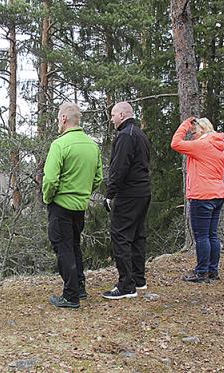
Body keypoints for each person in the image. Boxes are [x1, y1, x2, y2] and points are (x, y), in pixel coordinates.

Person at [42, 102, 103, 309]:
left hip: (61, 204)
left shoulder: (60, 145)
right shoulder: (93, 146)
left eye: (59, 118)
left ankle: (70, 295)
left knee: (63, 248)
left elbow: (50, 180)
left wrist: (48, 198)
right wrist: (84, 192)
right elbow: (98, 178)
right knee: (74, 244)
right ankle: (80, 287)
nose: (58, 122)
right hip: (80, 205)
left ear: (64, 119)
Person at [102, 101, 151, 300]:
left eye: (113, 115)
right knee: (138, 235)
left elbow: (119, 168)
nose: (111, 119)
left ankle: (126, 285)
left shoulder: (125, 136)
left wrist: (109, 193)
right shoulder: (140, 135)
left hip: (129, 193)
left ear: (122, 115)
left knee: (120, 235)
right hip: (143, 191)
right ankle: (139, 280)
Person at [171, 117, 224, 282]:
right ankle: (212, 271)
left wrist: (185, 125)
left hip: (202, 196)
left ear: (203, 129)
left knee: (202, 236)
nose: (193, 135)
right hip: (217, 195)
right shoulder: (218, 146)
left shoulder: (202, 145)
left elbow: (175, 143)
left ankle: (201, 272)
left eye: (195, 131)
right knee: (212, 235)